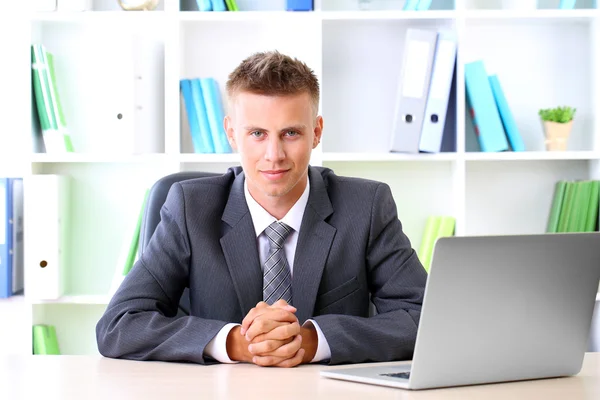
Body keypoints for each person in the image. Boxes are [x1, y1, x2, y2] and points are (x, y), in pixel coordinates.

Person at [96, 50, 427, 368]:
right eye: (257, 133)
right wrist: (238, 343)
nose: (274, 154)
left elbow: (426, 317)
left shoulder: (365, 207)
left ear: (316, 132)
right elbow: (119, 325)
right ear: (231, 134)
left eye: (290, 133)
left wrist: (313, 340)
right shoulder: (190, 208)